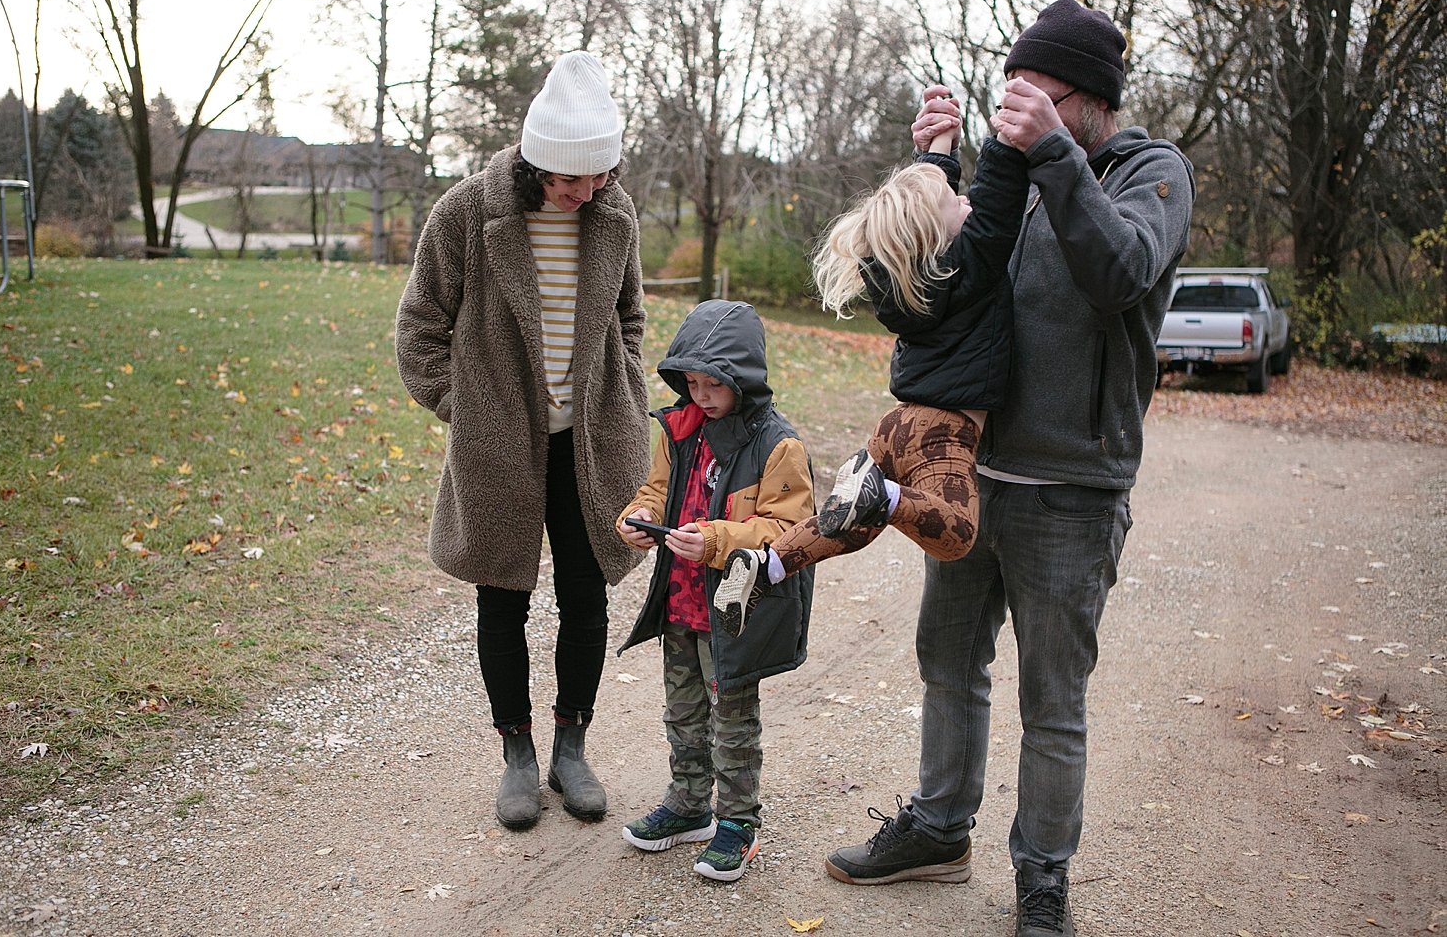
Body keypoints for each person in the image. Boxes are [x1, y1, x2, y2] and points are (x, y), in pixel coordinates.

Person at [822, 0, 1196, 937]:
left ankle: (1042, 880)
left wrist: (1056, 162)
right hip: (974, 476)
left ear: (1087, 99)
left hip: (1074, 489)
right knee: (947, 662)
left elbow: (1119, 275)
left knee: (1052, 701)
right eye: (1011, 89)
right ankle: (941, 829)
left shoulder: (1150, 172)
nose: (1017, 105)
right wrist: (934, 162)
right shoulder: (1018, 176)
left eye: (1037, 91)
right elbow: (944, 275)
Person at [394, 51, 650, 832]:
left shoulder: (616, 215)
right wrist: (466, 409)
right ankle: (516, 754)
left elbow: (629, 322)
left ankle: (573, 746)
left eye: (599, 177)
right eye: (573, 180)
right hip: (498, 446)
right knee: (501, 594)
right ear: (540, 161)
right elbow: (419, 329)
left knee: (585, 595)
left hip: (589, 443)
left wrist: (626, 393)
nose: (587, 192)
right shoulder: (465, 213)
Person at [710, 87, 1038, 612]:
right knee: (955, 536)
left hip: (895, 427)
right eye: (958, 203)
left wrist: (941, 150)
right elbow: (998, 206)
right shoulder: (971, 268)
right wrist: (1006, 136)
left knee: (852, 524)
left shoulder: (906, 279)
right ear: (941, 235)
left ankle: (768, 563)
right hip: (942, 431)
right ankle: (881, 495)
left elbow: (928, 204)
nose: (966, 201)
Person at [613, 299, 816, 883]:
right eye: (691, 383)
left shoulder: (778, 446)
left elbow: (790, 530)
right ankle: (688, 803)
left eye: (713, 385)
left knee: (732, 719)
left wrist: (718, 540)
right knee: (682, 709)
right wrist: (638, 516)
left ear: (742, 379)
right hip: (679, 600)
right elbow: (656, 490)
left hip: (735, 613)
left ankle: (738, 824)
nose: (701, 395)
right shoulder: (678, 431)